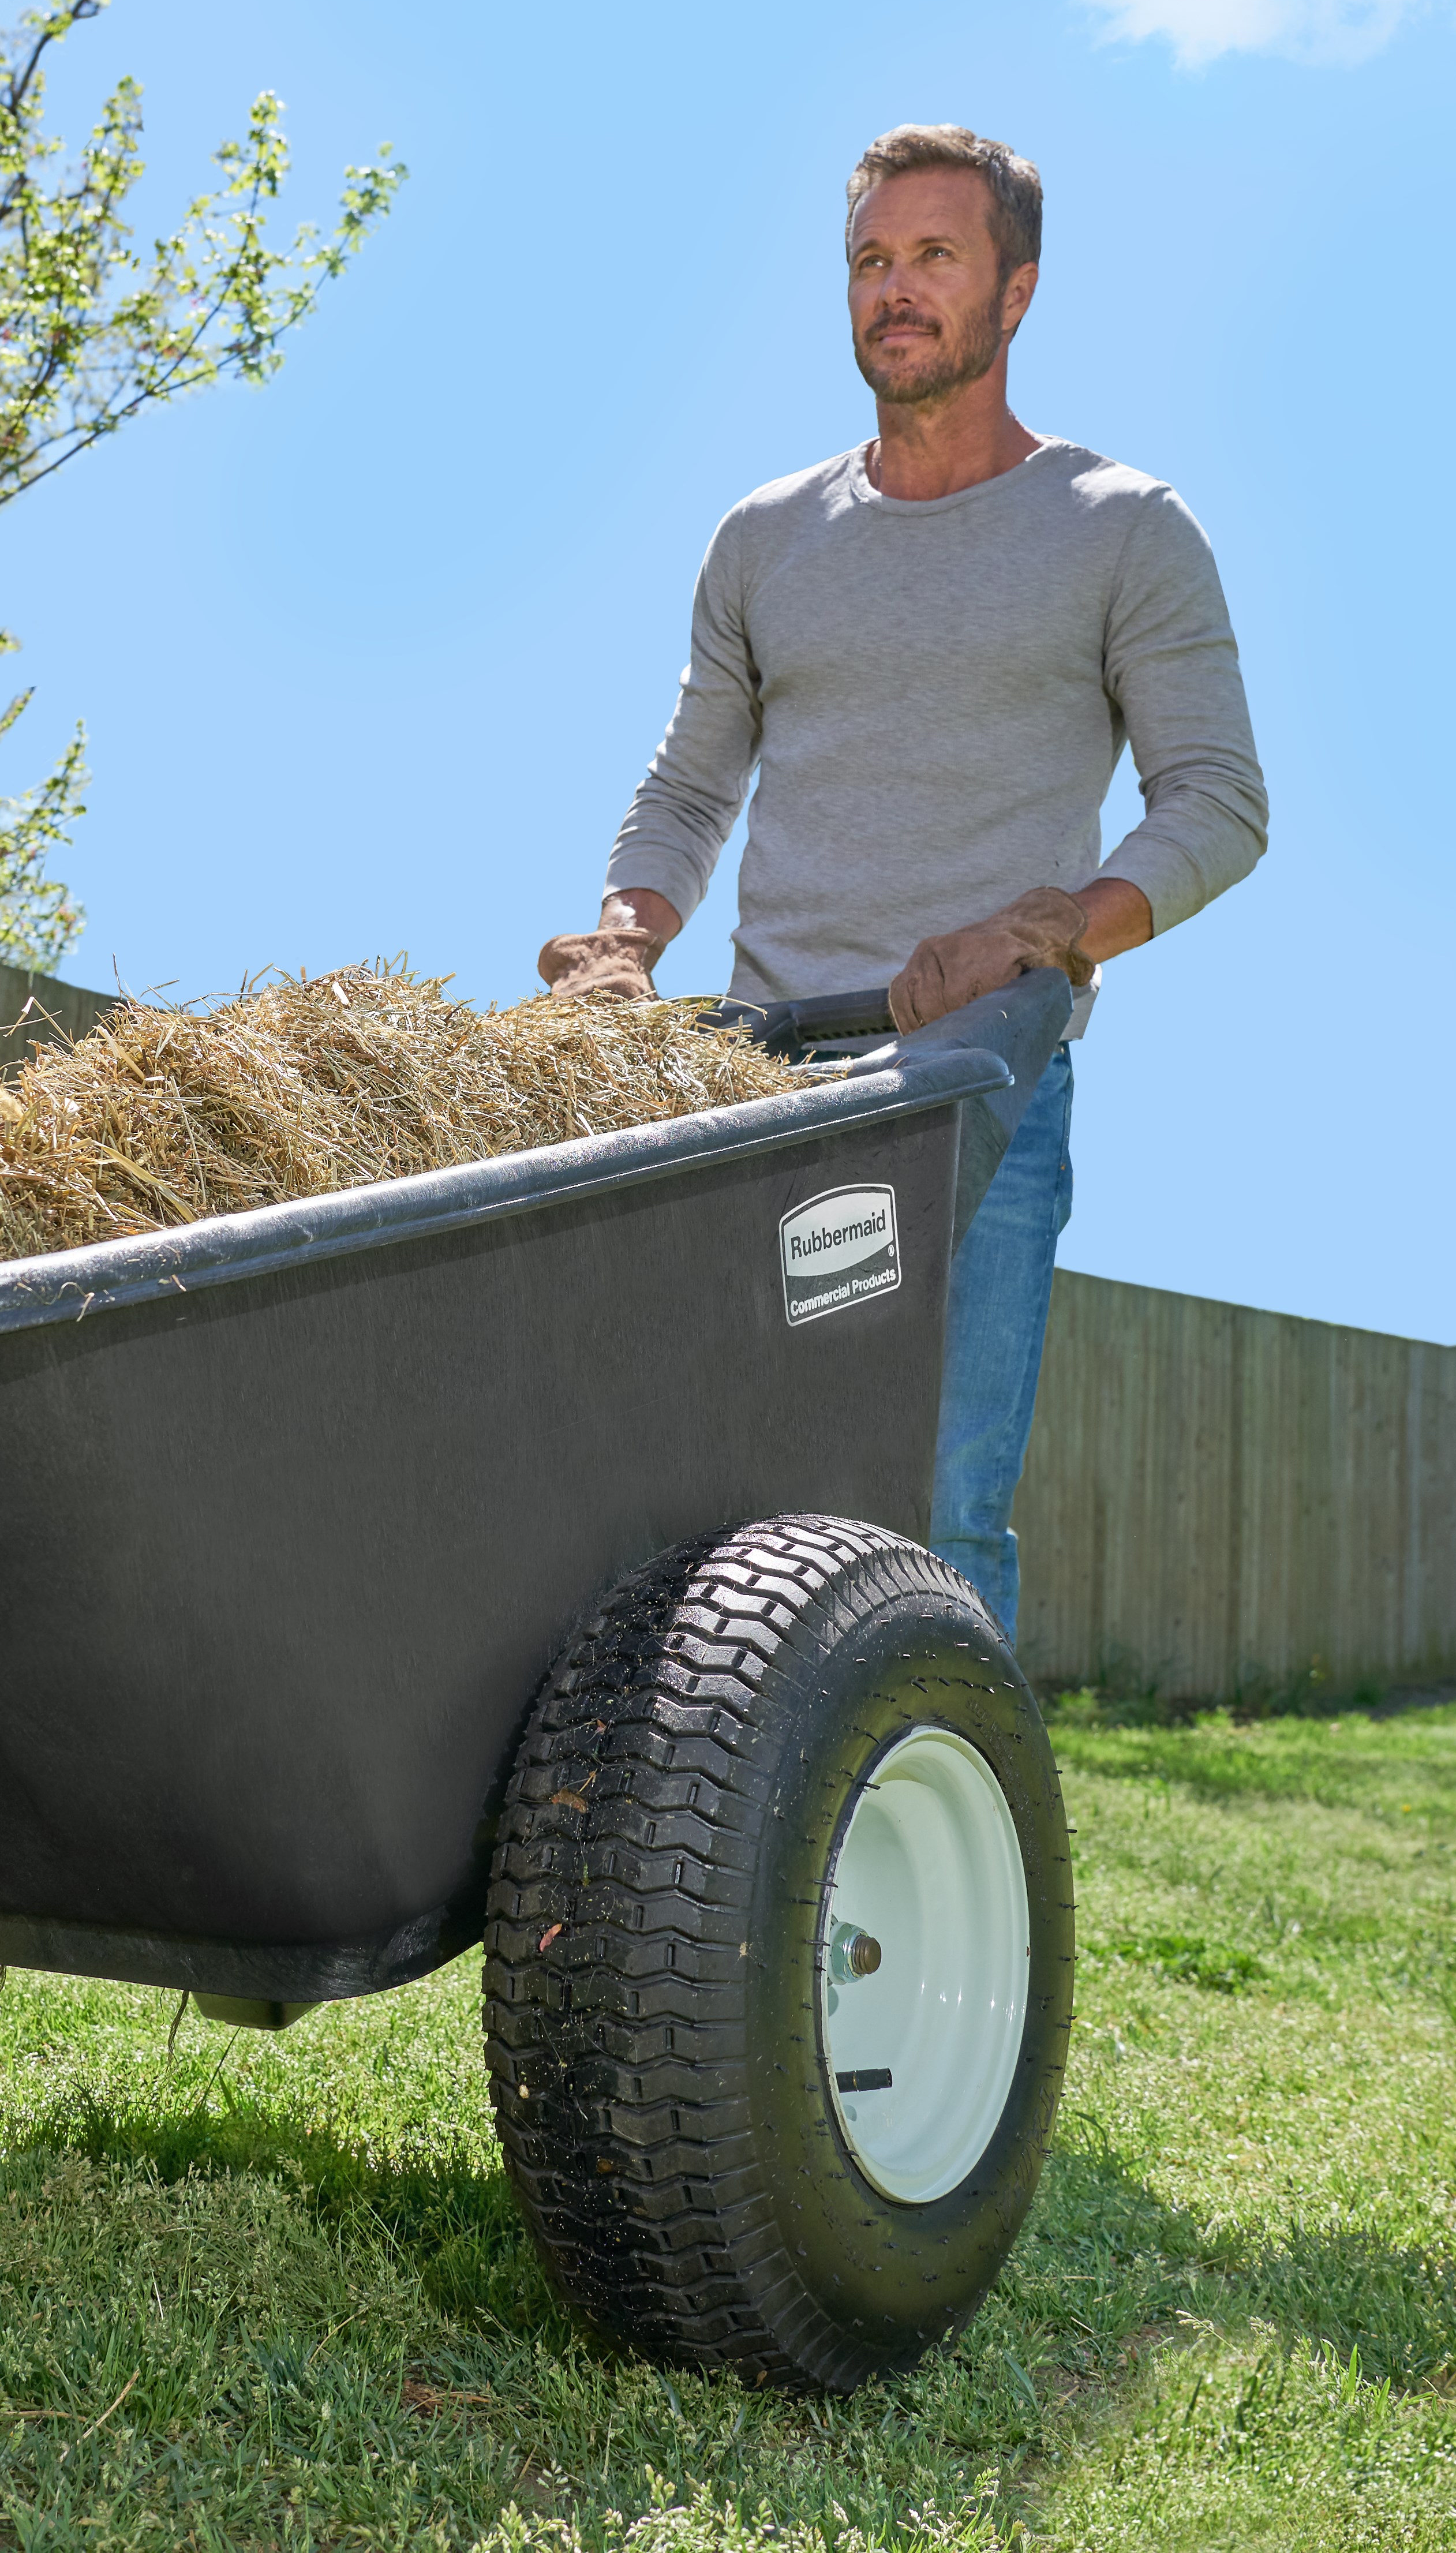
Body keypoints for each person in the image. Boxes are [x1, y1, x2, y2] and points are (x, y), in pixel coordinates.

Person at [538, 122, 1269, 1638]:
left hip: (975, 1091)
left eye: (937, 257)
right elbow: (689, 786)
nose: (897, 289)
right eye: (871, 260)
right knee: (716, 1499)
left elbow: (1217, 800)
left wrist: (1060, 927)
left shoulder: (1123, 530)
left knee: (937, 1512)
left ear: (1018, 295)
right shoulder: (766, 537)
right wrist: (624, 937)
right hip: (759, 1084)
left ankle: (939, 1853)